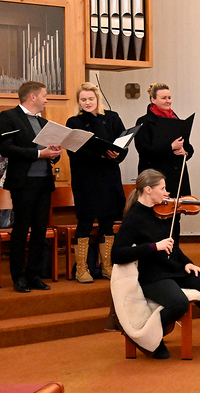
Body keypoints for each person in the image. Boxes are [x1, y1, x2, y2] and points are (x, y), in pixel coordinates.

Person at [112, 169, 200, 359]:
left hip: (175, 270)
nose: (167, 193)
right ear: (148, 190)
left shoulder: (166, 213)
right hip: (153, 277)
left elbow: (173, 247)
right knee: (179, 303)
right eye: (162, 188)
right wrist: (153, 247)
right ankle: (148, 335)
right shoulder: (134, 217)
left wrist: (187, 263)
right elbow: (117, 254)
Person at [0, 81, 62, 293]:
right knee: (21, 228)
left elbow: (49, 154)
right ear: (32, 97)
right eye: (44, 95)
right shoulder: (9, 116)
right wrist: (39, 153)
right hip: (23, 182)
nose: (46, 100)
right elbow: (6, 148)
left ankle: (34, 274)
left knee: (40, 230)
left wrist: (54, 153)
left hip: (44, 181)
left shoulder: (43, 122)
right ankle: (19, 276)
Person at [66, 82, 128, 283]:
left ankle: (107, 266)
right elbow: (73, 150)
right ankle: (81, 269)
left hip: (108, 177)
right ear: (79, 102)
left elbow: (124, 143)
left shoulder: (112, 117)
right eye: (83, 100)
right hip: (86, 179)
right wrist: (100, 155)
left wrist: (117, 154)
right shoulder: (74, 121)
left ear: (97, 99)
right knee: (85, 222)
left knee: (107, 223)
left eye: (90, 99)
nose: (87, 103)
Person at [135, 82, 194, 196]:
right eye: (164, 98)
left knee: (179, 206)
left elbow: (187, 146)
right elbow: (144, 151)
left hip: (177, 176)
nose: (168, 101)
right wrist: (170, 147)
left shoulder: (175, 119)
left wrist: (185, 152)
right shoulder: (144, 122)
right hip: (156, 175)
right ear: (153, 99)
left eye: (169, 98)